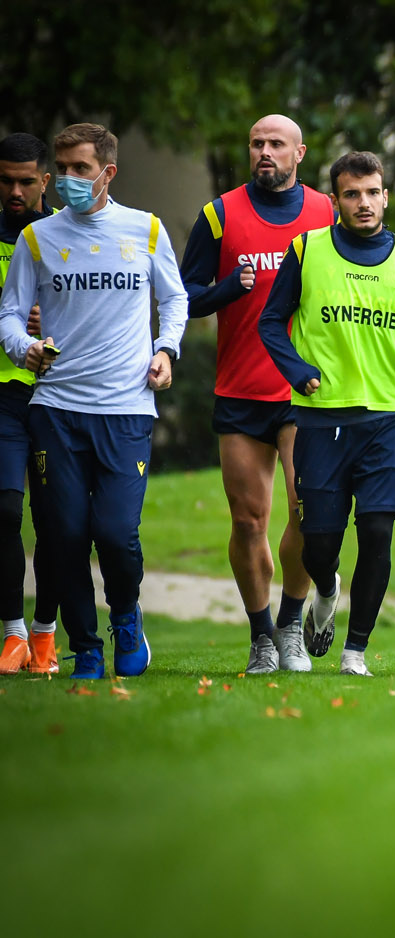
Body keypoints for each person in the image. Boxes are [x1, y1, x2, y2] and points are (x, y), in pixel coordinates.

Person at [0, 122, 188, 679]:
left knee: (114, 532)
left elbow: (174, 299)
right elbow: (10, 312)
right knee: (63, 534)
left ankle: (126, 616)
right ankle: (85, 646)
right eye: (63, 169)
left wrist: (166, 350)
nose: (69, 180)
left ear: (108, 172)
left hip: (126, 408)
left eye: (81, 169)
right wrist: (24, 347)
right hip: (56, 408)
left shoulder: (146, 229)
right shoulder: (39, 239)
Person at [258, 150, 395, 676]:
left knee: (379, 533)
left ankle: (355, 652)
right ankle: (326, 588)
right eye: (352, 194)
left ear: (386, 195)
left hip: (389, 416)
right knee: (318, 543)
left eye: (373, 193)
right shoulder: (307, 249)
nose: (364, 203)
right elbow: (271, 323)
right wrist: (296, 370)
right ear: (335, 199)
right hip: (320, 416)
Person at [180, 114, 335, 674]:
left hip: (305, 389)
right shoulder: (219, 216)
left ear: (300, 153)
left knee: (309, 513)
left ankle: (293, 622)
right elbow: (185, 298)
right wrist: (227, 288)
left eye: (276, 144)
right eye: (256, 143)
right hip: (241, 390)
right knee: (248, 521)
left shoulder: (326, 213)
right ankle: (262, 634)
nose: (264, 151)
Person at [0, 132, 59, 674]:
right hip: (3, 396)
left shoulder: (65, 233)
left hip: (56, 395)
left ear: (45, 180)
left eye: (25, 181)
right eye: (5, 180)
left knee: (54, 521)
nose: (14, 190)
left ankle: (45, 633)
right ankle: (13, 632)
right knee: (3, 512)